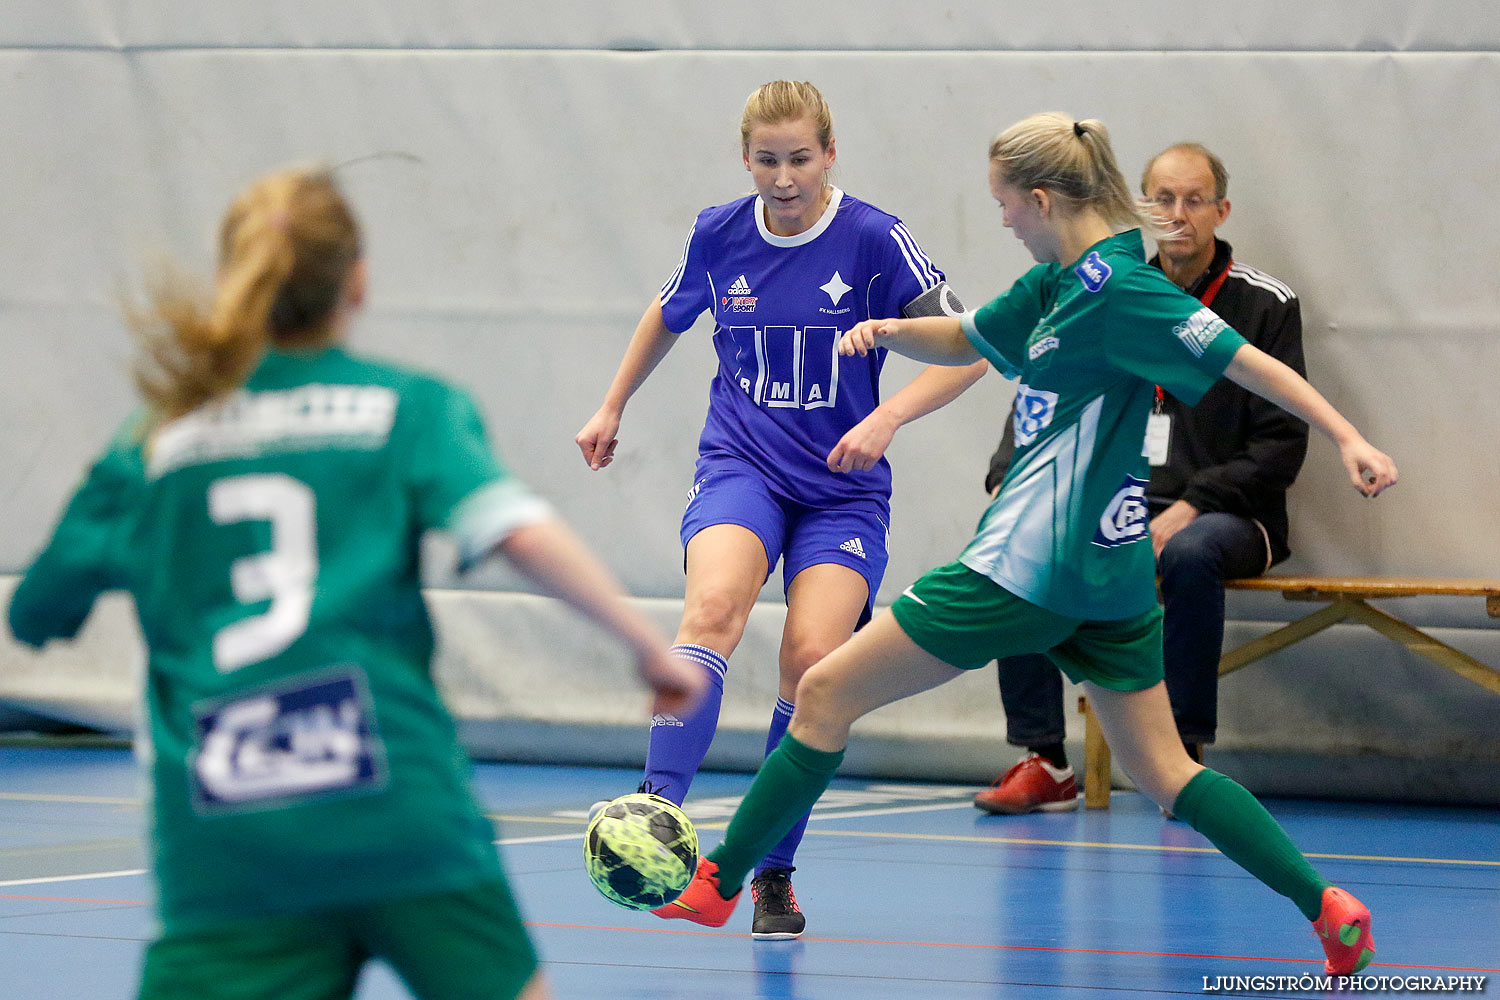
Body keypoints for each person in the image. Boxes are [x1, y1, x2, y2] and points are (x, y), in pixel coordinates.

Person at [656, 113, 1393, 977]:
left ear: (1041, 200)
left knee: (821, 692)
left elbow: (1243, 361)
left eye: (1005, 205)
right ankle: (1327, 906)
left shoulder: (1124, 292)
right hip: (1110, 584)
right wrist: (890, 333)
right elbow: (967, 336)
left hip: (1021, 567)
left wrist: (1348, 436)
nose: (1001, 220)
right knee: (1166, 775)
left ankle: (720, 880)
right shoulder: (1058, 286)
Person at [5, 166, 705, 1000]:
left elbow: (37, 611)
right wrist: (644, 649)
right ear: (358, 281)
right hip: (395, 802)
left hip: (229, 835)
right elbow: (515, 527)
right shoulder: (408, 408)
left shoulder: (150, 443)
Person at [574, 80, 985, 939]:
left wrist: (888, 414)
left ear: (830, 155)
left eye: (801, 158)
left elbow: (973, 349)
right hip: (743, 465)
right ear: (746, 159)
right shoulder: (719, 232)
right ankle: (659, 815)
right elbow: (668, 311)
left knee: (812, 662)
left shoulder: (875, 238)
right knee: (714, 608)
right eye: (768, 160)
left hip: (841, 486)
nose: (785, 177)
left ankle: (772, 871)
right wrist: (612, 404)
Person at [974, 141, 1309, 815]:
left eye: (1194, 199)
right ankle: (1043, 758)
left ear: (1222, 209)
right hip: (1115, 502)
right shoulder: (1104, 286)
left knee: (1188, 553)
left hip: (1227, 515)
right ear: (1140, 205)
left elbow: (1281, 442)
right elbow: (1043, 389)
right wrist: (1010, 481)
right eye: (1162, 198)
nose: (1177, 214)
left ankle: (1180, 760)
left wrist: (1190, 505)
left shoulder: (1264, 303)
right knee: (1026, 541)